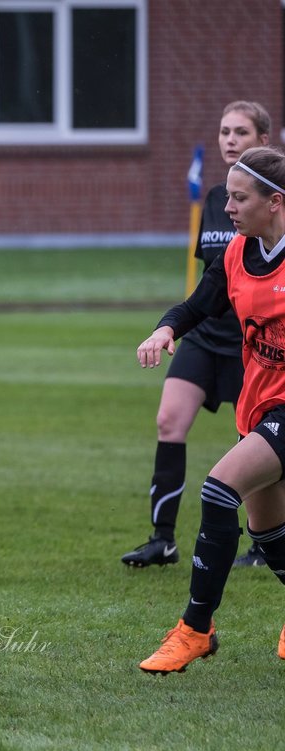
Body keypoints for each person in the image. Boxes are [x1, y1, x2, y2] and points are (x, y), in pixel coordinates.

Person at [135, 145, 285, 673]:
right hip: (258, 406)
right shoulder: (237, 254)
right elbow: (198, 305)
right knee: (269, 534)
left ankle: (195, 630)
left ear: (276, 203)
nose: (229, 207)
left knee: (219, 490)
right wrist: (165, 329)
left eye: (240, 198)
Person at [123, 101, 273, 569]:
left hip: (254, 346)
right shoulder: (214, 199)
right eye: (224, 130)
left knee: (256, 443)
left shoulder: (274, 210)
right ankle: (162, 538)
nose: (230, 140)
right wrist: (168, 327)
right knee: (170, 420)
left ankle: (261, 541)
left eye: (241, 132)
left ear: (263, 143)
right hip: (205, 336)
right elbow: (209, 284)